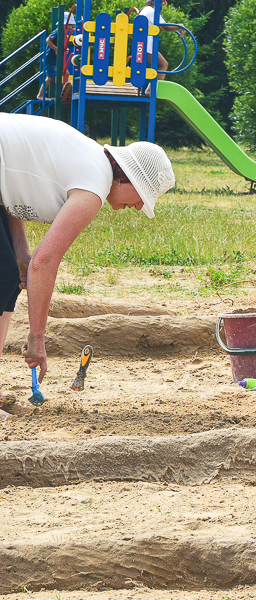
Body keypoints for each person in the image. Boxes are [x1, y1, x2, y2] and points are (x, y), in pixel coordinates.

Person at [0, 115, 175, 415]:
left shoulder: (88, 160)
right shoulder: (94, 184)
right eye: (141, 197)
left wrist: (19, 251)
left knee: (6, 278)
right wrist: (37, 338)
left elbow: (9, 187)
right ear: (128, 177)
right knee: (1, 277)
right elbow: (43, 264)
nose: (136, 206)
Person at [138, 0, 186, 81]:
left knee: (160, 64)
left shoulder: (146, 9)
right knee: (163, 65)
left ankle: (150, 89)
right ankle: (152, 90)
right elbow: (165, 27)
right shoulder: (152, 11)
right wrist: (180, 26)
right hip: (145, 46)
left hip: (141, 44)